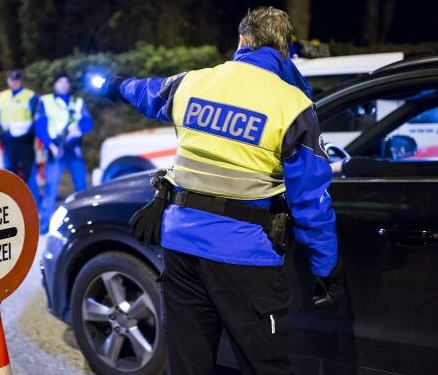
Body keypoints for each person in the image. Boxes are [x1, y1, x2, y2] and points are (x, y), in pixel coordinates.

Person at [103, 7, 343, 375]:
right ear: (284, 51)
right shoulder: (292, 106)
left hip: (182, 249)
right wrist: (326, 268)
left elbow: (145, 91)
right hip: (246, 257)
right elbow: (311, 202)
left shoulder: (194, 83)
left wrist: (114, 86)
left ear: (242, 41)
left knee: (189, 364)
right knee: (264, 364)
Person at [36, 73, 93, 234]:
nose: (63, 85)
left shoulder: (77, 101)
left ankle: (85, 222)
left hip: (73, 148)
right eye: (60, 82)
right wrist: (50, 146)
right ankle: (44, 225)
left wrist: (79, 129)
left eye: (66, 82)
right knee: (51, 187)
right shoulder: (45, 101)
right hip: (55, 148)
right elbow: (41, 126)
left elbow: (88, 122)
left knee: (81, 187)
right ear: (54, 84)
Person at [0, 69, 38, 183]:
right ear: (8, 81)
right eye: (12, 80)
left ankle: (32, 200)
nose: (14, 82)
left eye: (17, 80)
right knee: (10, 174)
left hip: (25, 141)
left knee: (29, 174)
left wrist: (31, 134)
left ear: (21, 81)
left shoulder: (31, 96)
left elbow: (37, 119)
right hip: (8, 140)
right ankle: (12, 199)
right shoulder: (2, 96)